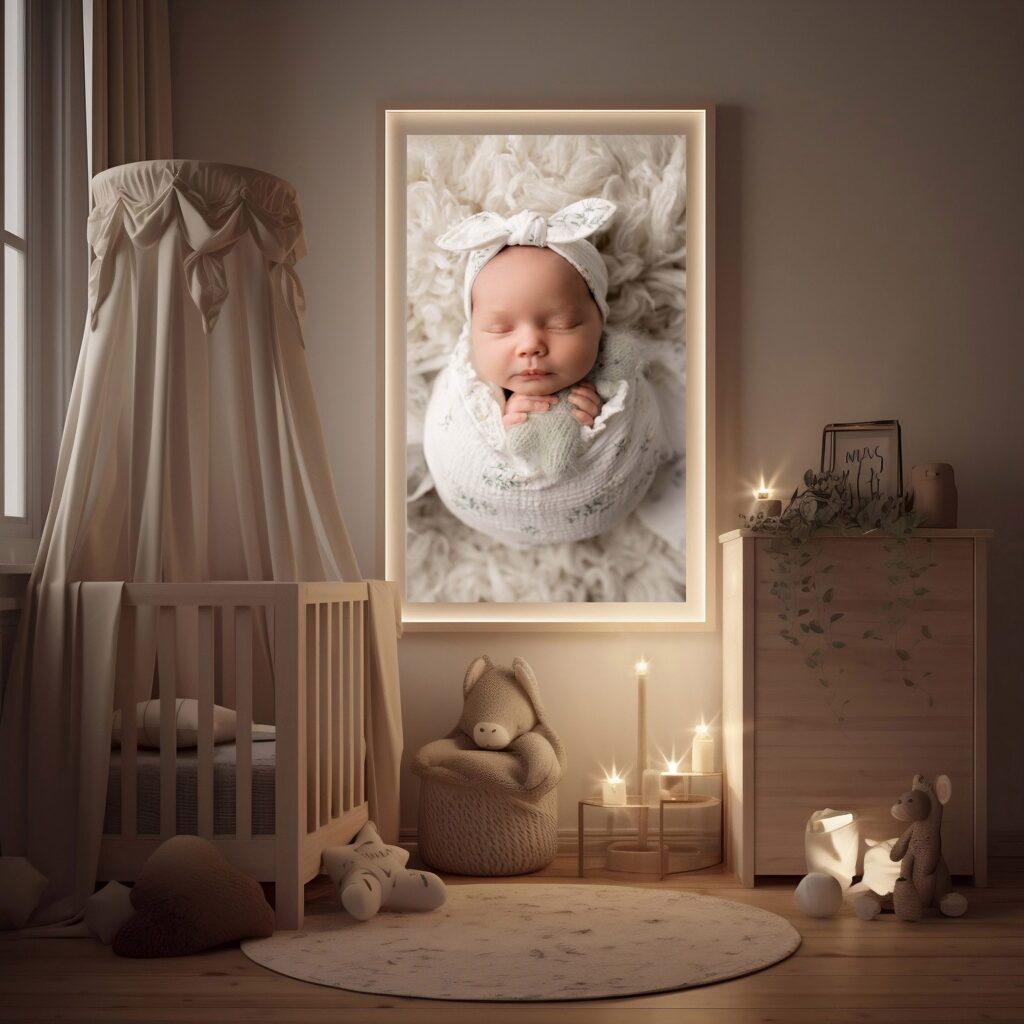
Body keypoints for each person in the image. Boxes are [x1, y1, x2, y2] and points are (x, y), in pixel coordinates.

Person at [422, 198, 671, 547]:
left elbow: (628, 417)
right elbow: (462, 435)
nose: (530, 345)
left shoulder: (608, 372)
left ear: (600, 323)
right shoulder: (470, 384)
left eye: (562, 324)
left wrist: (599, 413)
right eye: (499, 328)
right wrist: (504, 417)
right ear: (474, 331)